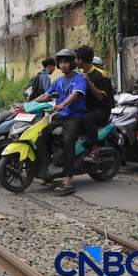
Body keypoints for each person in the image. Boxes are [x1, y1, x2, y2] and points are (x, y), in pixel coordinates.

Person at [31, 49, 86, 196]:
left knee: (68, 142)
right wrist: (29, 103)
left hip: (74, 117)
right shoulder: (58, 81)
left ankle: (68, 179)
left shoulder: (79, 79)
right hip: (60, 116)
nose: (63, 65)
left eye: (66, 62)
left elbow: (75, 94)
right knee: (41, 136)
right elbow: (46, 95)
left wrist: (63, 104)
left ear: (72, 63)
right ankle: (47, 169)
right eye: (61, 62)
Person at [76, 46, 114, 162]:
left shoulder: (101, 75)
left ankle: (94, 149)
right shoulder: (80, 74)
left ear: (81, 60)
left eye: (77, 59)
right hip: (88, 107)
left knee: (88, 119)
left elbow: (100, 96)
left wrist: (88, 82)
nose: (75, 62)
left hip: (102, 109)